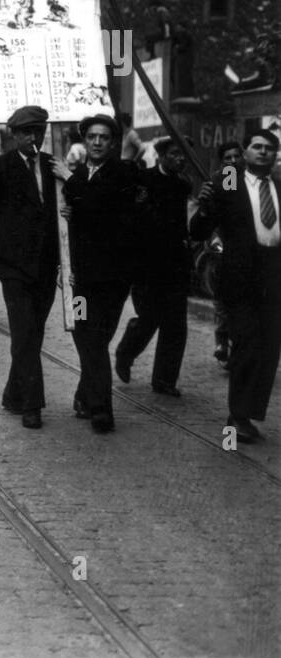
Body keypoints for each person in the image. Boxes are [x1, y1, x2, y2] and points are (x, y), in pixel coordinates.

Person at [0, 105, 70, 429]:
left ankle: (14, 393)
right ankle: (32, 405)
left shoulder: (52, 166)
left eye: (38, 131)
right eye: (26, 132)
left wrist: (68, 180)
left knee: (32, 334)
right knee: (25, 333)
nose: (33, 137)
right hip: (12, 267)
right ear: (13, 135)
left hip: (45, 265)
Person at [190, 129, 281, 443]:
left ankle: (249, 413)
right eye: (257, 147)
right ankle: (237, 417)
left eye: (270, 148)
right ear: (245, 152)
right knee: (248, 346)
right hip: (240, 280)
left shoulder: (279, 186)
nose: (263, 152)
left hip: (273, 280)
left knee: (269, 349)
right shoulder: (230, 180)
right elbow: (201, 226)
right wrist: (205, 206)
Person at [62, 114, 141, 433]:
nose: (96, 142)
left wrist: (73, 201)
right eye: (91, 137)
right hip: (79, 279)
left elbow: (107, 213)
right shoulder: (78, 175)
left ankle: (93, 401)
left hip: (112, 278)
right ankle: (95, 403)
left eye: (104, 137)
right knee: (86, 337)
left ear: (113, 142)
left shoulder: (124, 173)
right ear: (84, 140)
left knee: (97, 338)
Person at [114, 136, 192, 397]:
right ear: (160, 155)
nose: (179, 159)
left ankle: (165, 380)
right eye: (174, 154)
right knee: (149, 319)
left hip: (175, 265)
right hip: (146, 265)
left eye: (183, 155)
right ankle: (126, 352)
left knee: (175, 325)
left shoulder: (183, 186)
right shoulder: (144, 180)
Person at [209, 140, 244, 366]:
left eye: (236, 157)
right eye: (227, 158)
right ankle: (222, 342)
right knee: (223, 302)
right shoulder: (223, 180)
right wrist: (215, 239)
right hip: (225, 250)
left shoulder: (252, 180)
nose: (232, 162)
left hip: (248, 253)